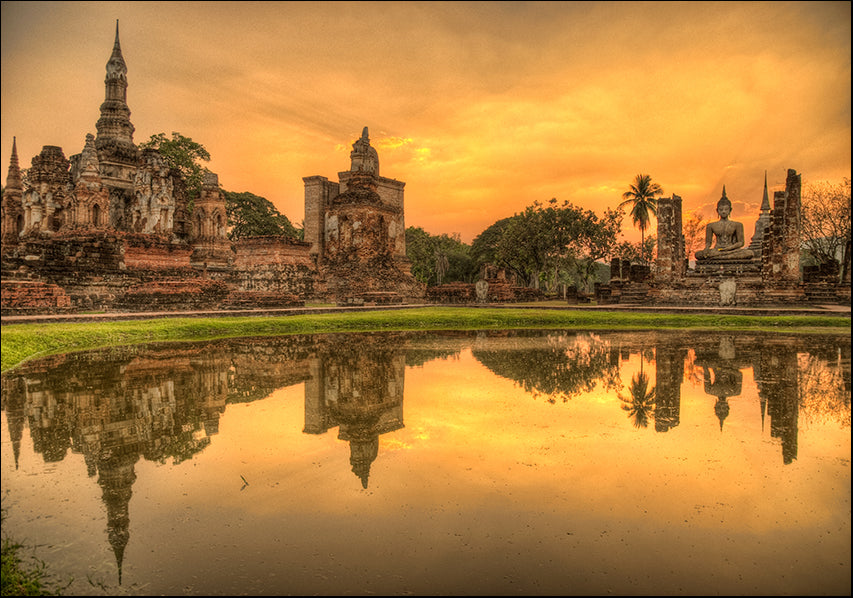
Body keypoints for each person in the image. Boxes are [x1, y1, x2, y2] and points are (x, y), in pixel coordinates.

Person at [695, 187, 756, 260]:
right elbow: (708, 243)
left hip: (732, 250)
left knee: (749, 253)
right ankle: (722, 256)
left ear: (730, 210)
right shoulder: (711, 226)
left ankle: (721, 257)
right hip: (717, 250)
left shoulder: (737, 225)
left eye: (726, 209)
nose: (723, 211)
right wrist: (706, 249)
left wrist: (729, 248)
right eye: (721, 209)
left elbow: (741, 243)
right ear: (717, 210)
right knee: (698, 254)